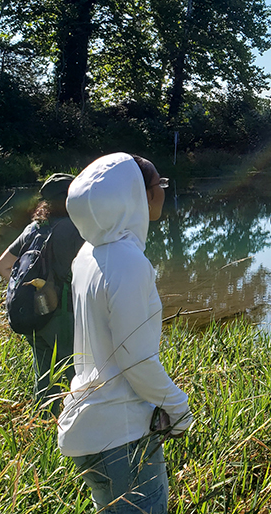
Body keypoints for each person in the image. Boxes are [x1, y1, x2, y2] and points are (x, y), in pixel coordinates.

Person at [58, 153, 192, 514]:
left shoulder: (88, 255)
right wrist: (178, 407)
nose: (163, 192)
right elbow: (137, 359)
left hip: (94, 429)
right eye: (159, 186)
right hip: (121, 433)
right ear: (138, 195)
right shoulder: (128, 262)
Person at [0, 172, 83, 412]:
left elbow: (2, 266)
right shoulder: (76, 229)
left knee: (45, 380)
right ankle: (73, 436)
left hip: (34, 315)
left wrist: (32, 291)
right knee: (75, 378)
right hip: (64, 316)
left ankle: (44, 429)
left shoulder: (33, 228)